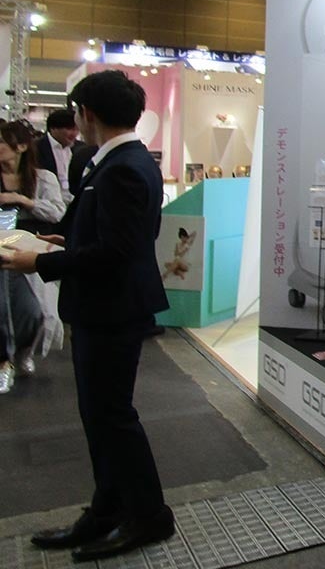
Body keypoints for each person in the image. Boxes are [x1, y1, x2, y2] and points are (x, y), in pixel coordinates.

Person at [1, 70, 174, 561]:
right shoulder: (121, 161)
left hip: (112, 309)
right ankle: (108, 508)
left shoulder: (123, 167)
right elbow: (119, 237)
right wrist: (67, 240)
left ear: (87, 114)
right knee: (100, 416)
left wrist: (40, 263)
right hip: (105, 306)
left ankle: (149, 515)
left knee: (112, 417)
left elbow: (118, 251)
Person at [0, 119, 67, 391]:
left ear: (21, 146)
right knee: (3, 305)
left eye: (2, 142)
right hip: (3, 252)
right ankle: (4, 360)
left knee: (35, 311)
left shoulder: (43, 179)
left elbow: (57, 212)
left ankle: (23, 351)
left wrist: (22, 200)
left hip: (33, 251)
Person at [36, 108, 89, 204]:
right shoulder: (36, 148)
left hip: (75, 201)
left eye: (77, 129)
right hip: (50, 202)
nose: (74, 134)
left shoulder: (82, 148)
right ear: (53, 128)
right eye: (69, 129)